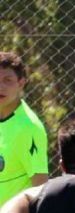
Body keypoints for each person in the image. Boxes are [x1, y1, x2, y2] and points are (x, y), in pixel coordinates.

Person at [0, 52, 49, 202]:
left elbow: (40, 187)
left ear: (21, 83)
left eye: (7, 80)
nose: (0, 86)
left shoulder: (29, 127)